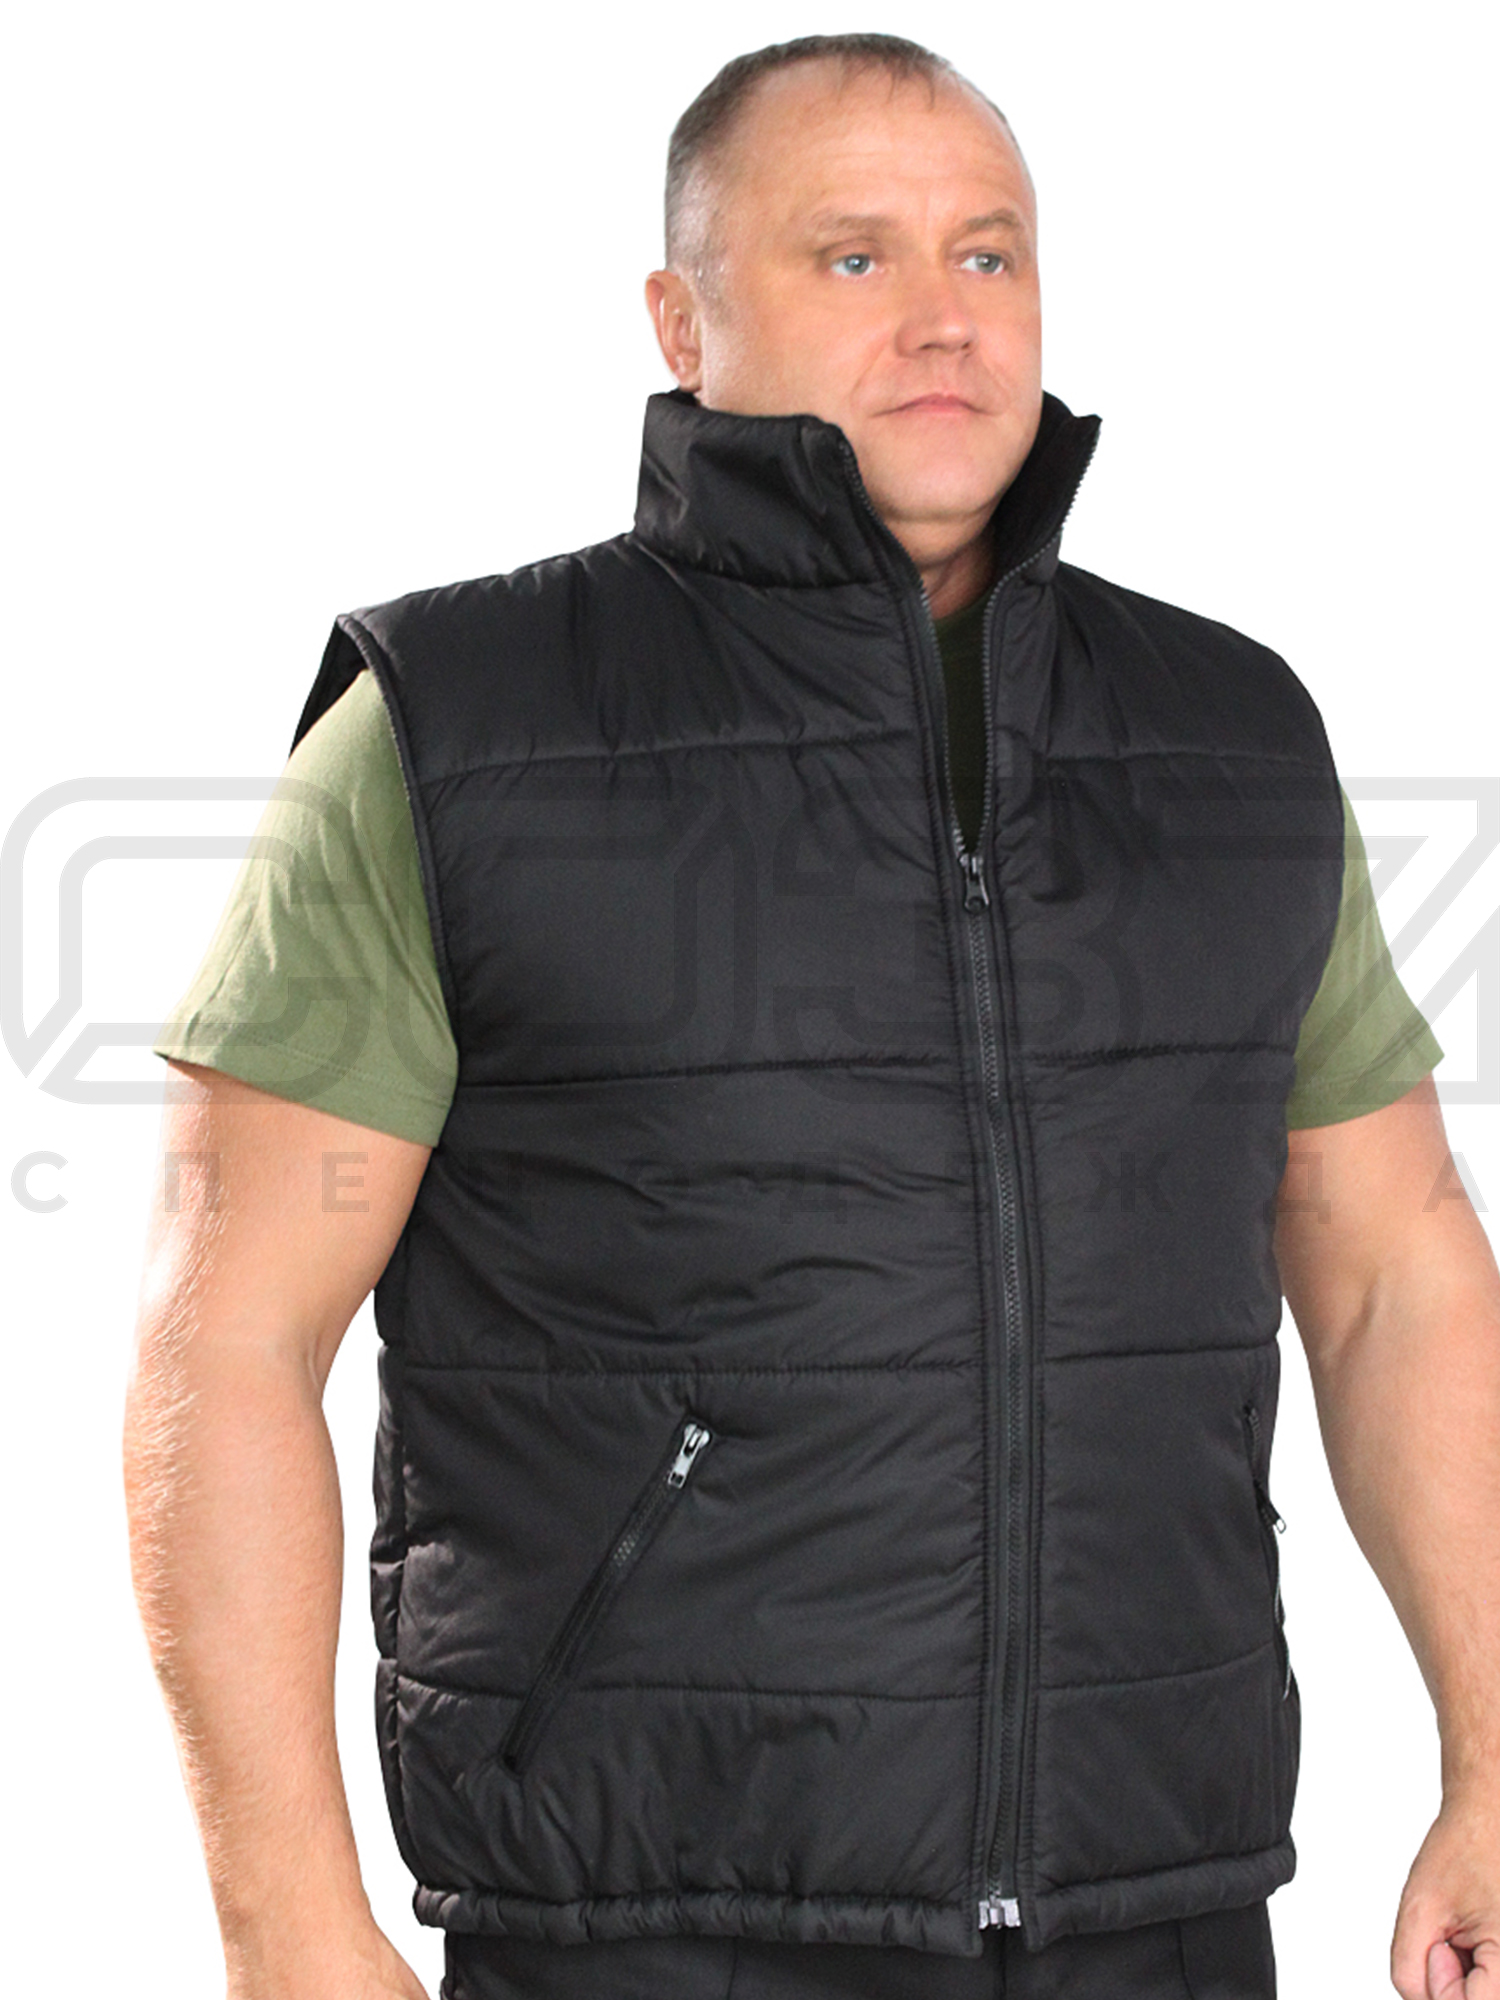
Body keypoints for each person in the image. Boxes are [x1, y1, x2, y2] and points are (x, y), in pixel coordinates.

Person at [123, 33, 1500, 2000]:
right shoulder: (457, 733)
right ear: (682, 322)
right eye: (854, 257)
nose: (944, 316)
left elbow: (1397, 1279)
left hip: (1158, 1917)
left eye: (989, 253)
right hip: (652, 1929)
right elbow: (229, 1340)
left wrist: (1494, 1758)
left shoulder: (1232, 740)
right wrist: (286, 1929)